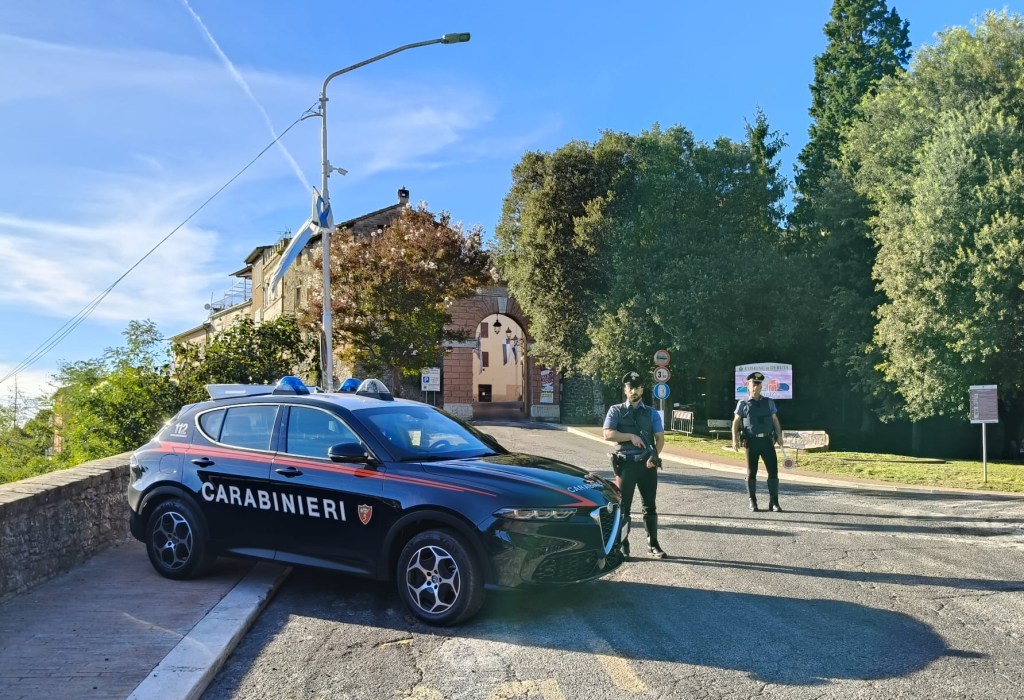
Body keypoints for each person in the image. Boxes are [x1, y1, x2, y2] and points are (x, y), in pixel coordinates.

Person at [603, 371, 667, 559]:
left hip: (647, 465)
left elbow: (660, 438)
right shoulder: (616, 410)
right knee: (624, 507)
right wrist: (630, 436)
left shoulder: (651, 413)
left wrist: (654, 456)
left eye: (637, 388)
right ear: (625, 390)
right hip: (626, 464)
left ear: (642, 390)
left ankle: (653, 544)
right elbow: (607, 434)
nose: (634, 391)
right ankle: (623, 544)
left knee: (650, 506)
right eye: (630, 388)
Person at [732, 371, 784, 512]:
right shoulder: (743, 403)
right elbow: (736, 421)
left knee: (773, 471)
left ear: (761, 387)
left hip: (767, 441)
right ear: (748, 386)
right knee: (751, 472)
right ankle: (752, 501)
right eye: (753, 385)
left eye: (758, 385)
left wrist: (779, 436)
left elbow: (775, 420)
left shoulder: (769, 402)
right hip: (751, 442)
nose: (755, 387)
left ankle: (774, 502)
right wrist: (734, 439)